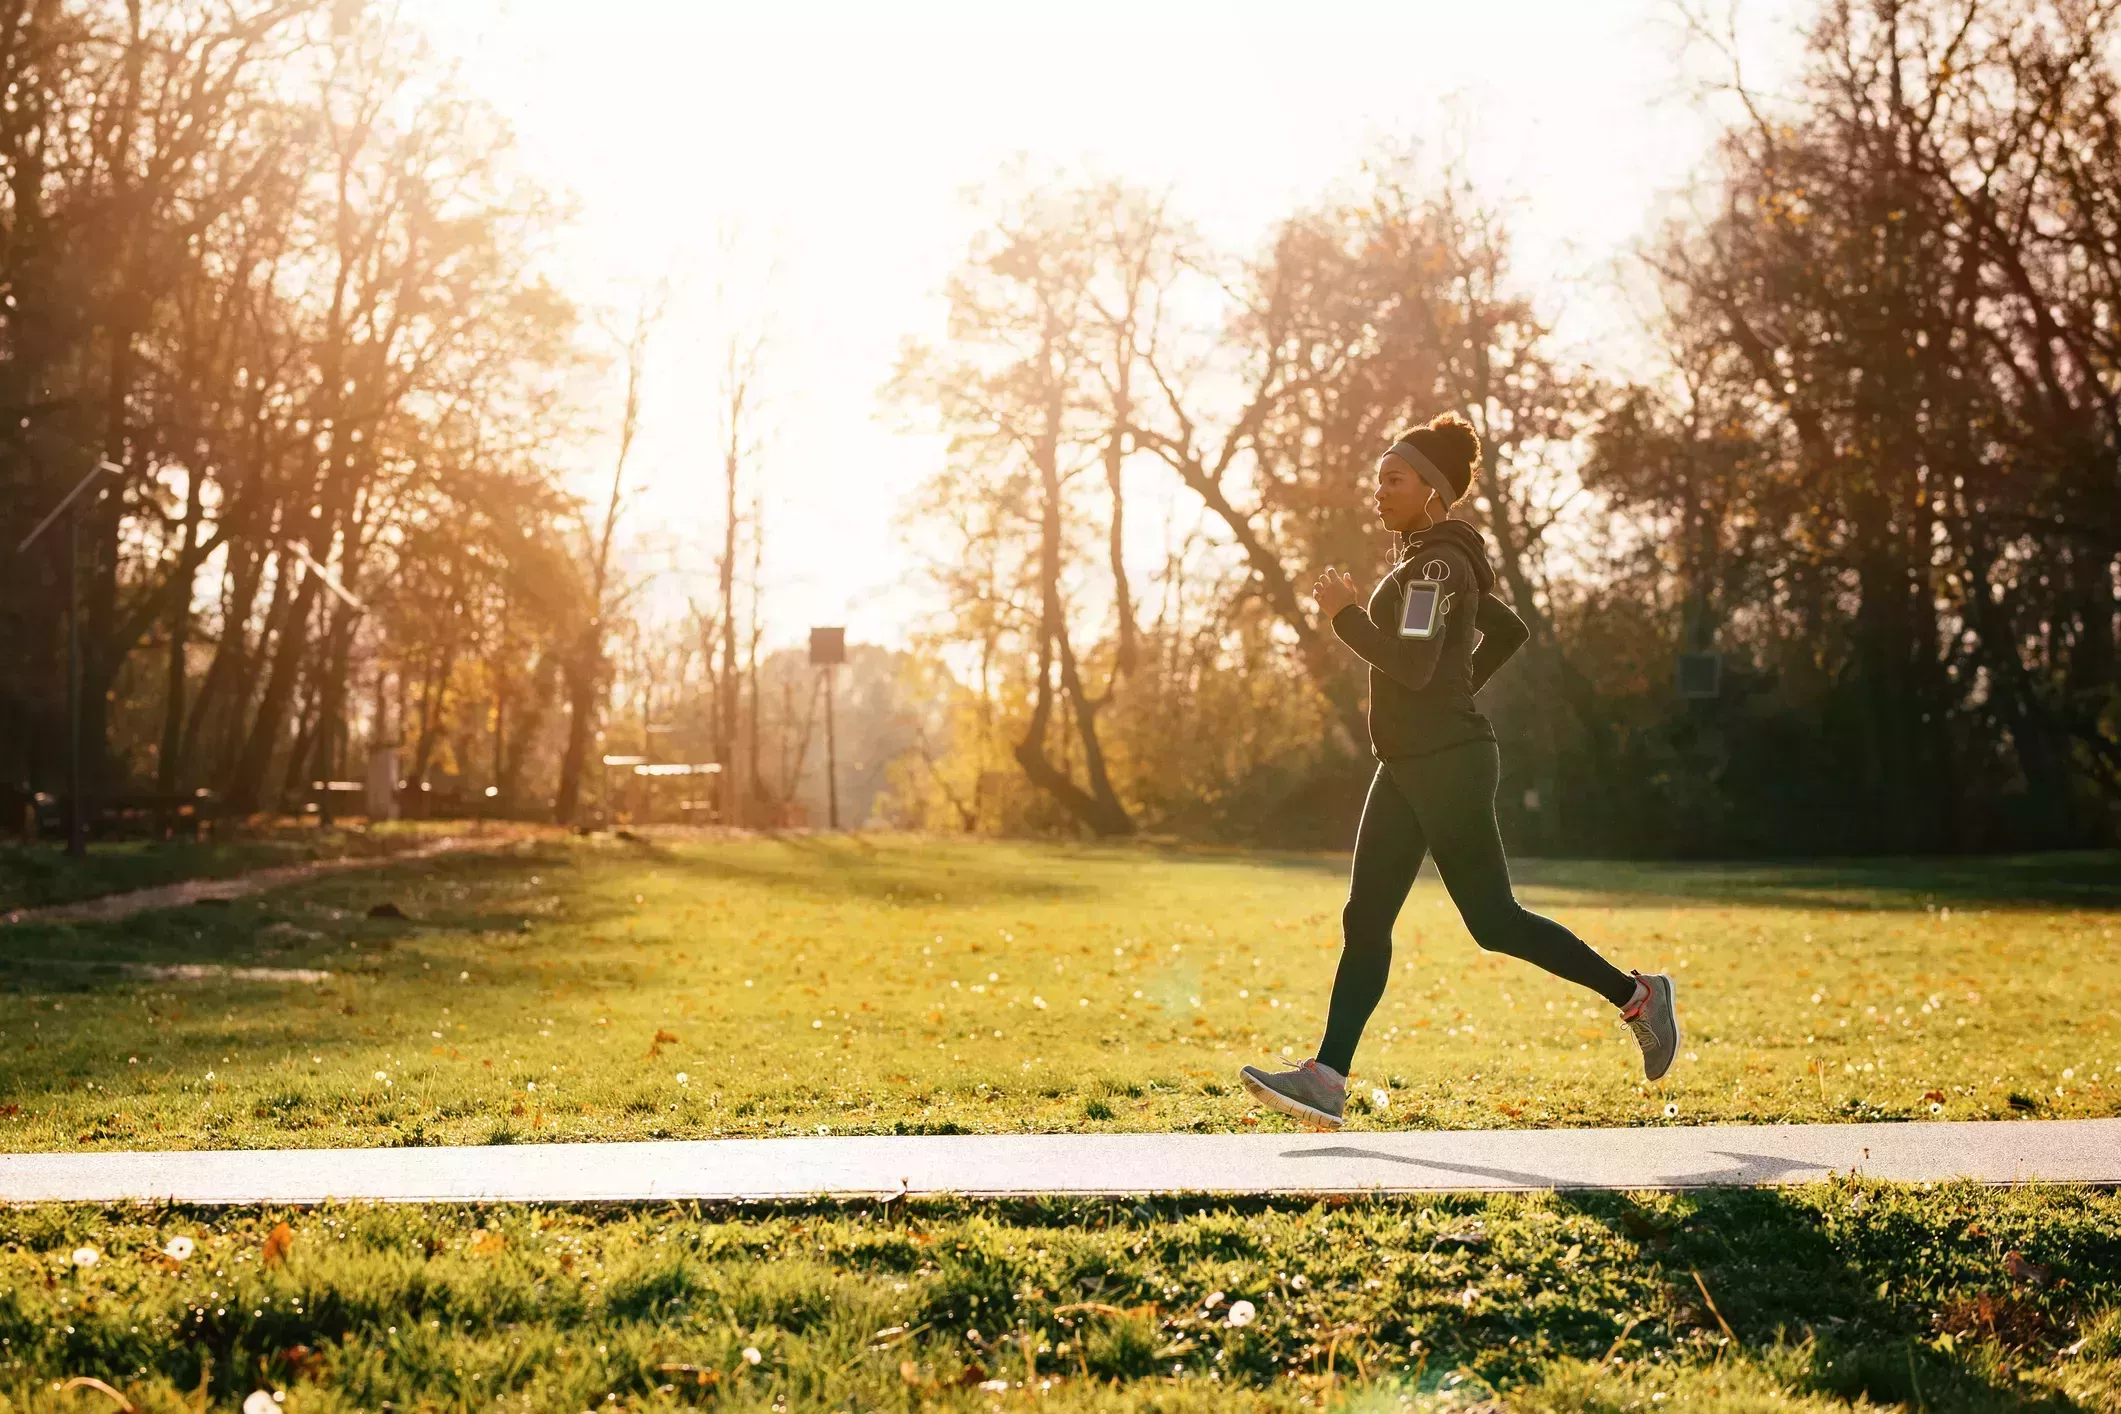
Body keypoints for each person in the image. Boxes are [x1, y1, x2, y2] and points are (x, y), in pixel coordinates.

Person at [1239, 412, 1679, 1130]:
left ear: (1432, 491)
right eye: (1377, 477)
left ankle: (1638, 997)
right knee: (1366, 917)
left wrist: (1346, 615)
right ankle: (1325, 1078)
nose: (1378, 490)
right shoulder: (1430, 561)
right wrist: (1455, 683)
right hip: (1410, 761)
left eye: (1394, 478)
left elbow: (1412, 663)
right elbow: (1506, 631)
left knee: (1493, 920)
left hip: (1447, 762)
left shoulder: (1437, 565)